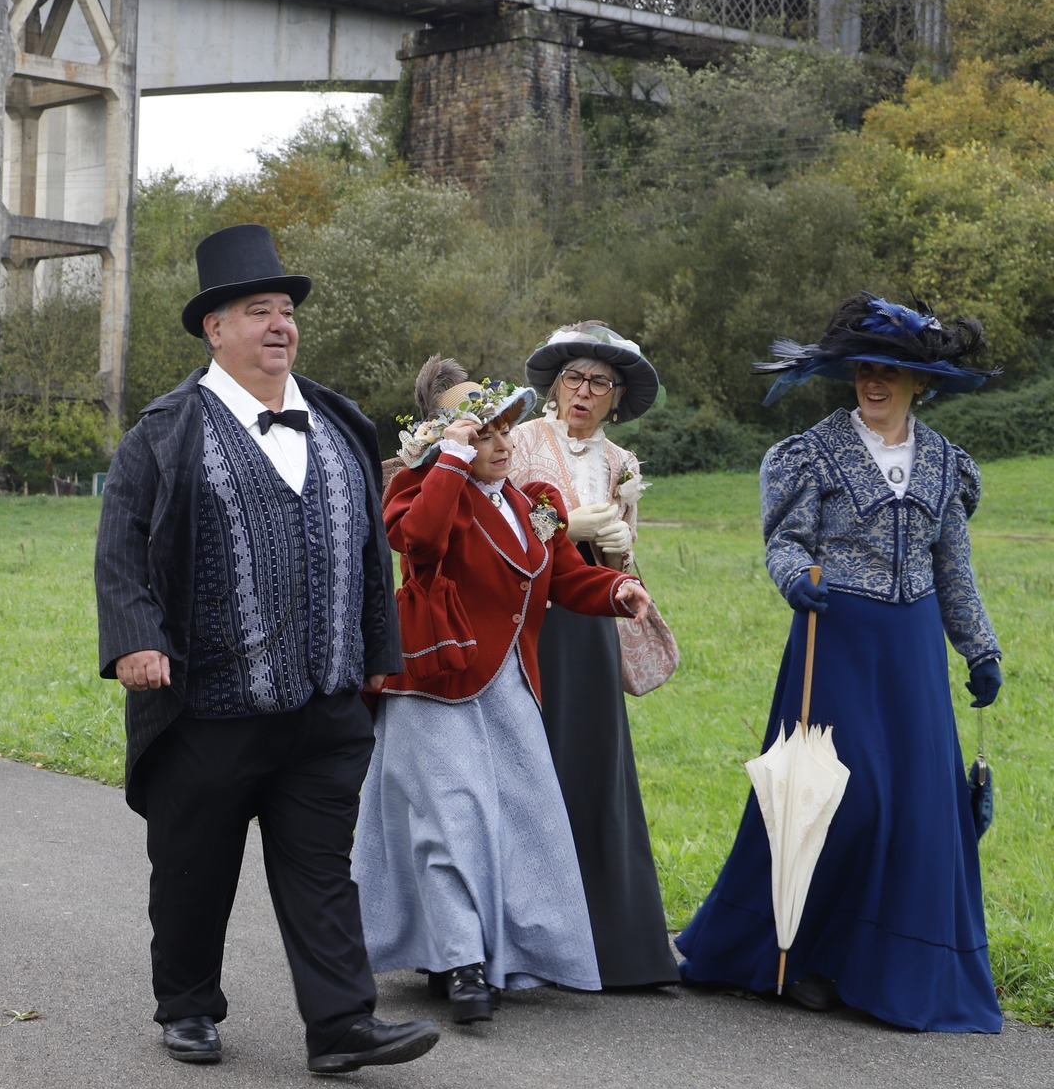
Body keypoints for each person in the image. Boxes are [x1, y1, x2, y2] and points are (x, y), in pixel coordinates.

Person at [94, 223, 438, 1075]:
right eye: (259, 311)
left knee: (323, 873)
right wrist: (136, 641)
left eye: (286, 311)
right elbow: (123, 548)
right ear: (216, 328)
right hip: (208, 704)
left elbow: (369, 551)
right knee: (193, 869)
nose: (280, 325)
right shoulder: (166, 430)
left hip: (324, 703)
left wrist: (373, 655)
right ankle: (187, 1006)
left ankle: (341, 1025)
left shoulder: (339, 424)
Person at [677, 294, 1005, 1033]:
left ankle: (888, 967)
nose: (873, 381)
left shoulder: (949, 465)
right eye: (864, 368)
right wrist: (794, 576)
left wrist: (979, 648)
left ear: (921, 381)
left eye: (889, 370)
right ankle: (801, 952)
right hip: (836, 646)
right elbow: (786, 541)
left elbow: (954, 570)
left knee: (922, 814)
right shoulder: (814, 452)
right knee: (844, 802)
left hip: (914, 652)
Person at [354, 361, 656, 1024]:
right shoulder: (418, 490)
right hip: (436, 685)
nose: (500, 443)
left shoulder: (533, 501)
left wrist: (616, 590)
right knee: (451, 822)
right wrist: (449, 461)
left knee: (523, 821)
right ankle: (461, 966)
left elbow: (566, 577)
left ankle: (508, 950)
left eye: (505, 428)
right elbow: (421, 543)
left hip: (511, 687)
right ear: (449, 438)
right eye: (483, 431)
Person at [507, 323, 678, 989]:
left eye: (599, 383)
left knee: (593, 767)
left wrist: (612, 553)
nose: (583, 391)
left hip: (591, 626)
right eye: (574, 377)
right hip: (529, 622)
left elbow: (623, 552)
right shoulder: (520, 441)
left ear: (616, 397)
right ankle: (524, 942)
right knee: (531, 766)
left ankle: (614, 946)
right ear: (555, 385)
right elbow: (495, 520)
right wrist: (560, 526)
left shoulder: (621, 464)